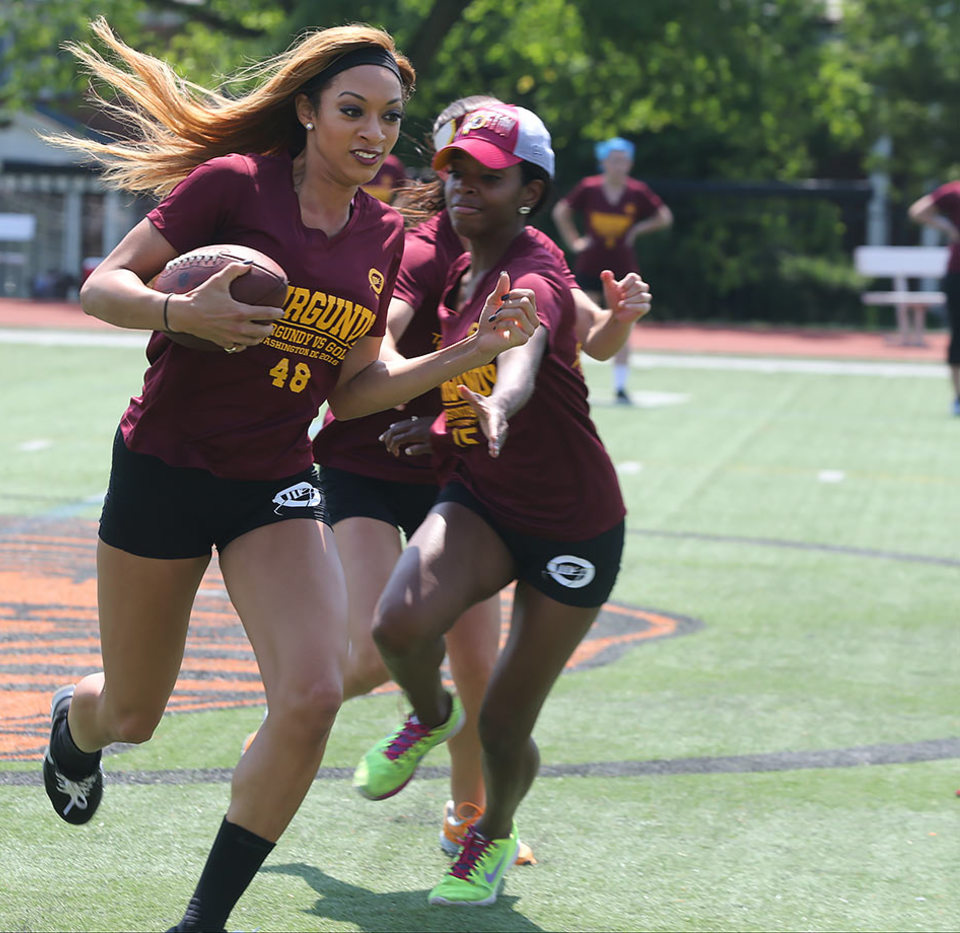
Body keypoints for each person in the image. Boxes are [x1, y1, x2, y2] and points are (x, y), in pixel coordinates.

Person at [38, 20, 539, 933]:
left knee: (310, 696)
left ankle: (202, 919)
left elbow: (354, 395)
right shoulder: (233, 185)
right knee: (137, 711)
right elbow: (101, 287)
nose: (375, 133)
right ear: (307, 111)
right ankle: (77, 721)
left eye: (390, 117)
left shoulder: (384, 233)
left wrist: (470, 349)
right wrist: (175, 311)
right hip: (163, 467)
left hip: (273, 476)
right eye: (353, 111)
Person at [314, 94, 650, 865]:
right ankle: (328, 712)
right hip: (400, 461)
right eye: (455, 162)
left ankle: (479, 821)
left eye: (483, 170)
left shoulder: (517, 257)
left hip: (478, 470)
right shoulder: (427, 247)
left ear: (526, 187)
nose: (464, 179)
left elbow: (537, 334)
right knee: (382, 644)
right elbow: (386, 347)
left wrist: (491, 399)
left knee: (487, 691)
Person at [552, 136, 672, 405]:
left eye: (624, 160)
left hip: (622, 268)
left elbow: (664, 216)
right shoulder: (589, 188)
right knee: (578, 325)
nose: (619, 165)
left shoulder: (636, 191)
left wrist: (638, 229)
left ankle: (620, 386)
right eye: (614, 160)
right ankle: (571, 381)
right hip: (589, 265)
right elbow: (562, 211)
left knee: (622, 322)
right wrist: (574, 241)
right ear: (603, 162)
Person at [907, 181, 960, 415]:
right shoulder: (954, 192)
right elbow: (918, 211)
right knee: (959, 334)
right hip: (958, 273)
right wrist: (949, 229)